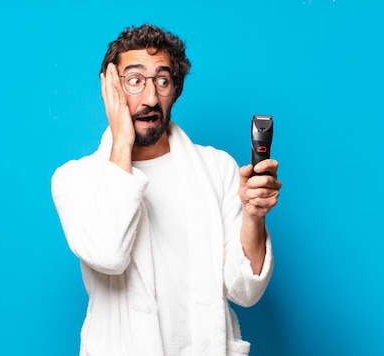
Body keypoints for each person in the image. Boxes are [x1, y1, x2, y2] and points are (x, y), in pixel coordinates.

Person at [51, 23, 281, 356]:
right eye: (134, 81)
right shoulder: (76, 178)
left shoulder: (217, 168)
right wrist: (122, 141)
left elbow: (245, 291)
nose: (150, 97)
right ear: (110, 89)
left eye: (162, 81)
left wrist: (253, 216)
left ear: (175, 90)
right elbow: (108, 256)